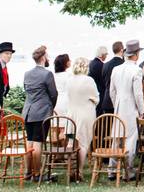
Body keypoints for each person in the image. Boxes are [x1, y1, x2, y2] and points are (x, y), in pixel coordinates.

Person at [110, 40, 144, 180]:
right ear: (136, 54)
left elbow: (112, 91)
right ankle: (128, 170)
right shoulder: (137, 70)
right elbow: (138, 93)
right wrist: (142, 110)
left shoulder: (116, 69)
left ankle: (112, 169)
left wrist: (116, 104)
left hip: (118, 107)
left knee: (117, 138)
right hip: (131, 108)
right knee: (130, 140)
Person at [23, 45, 58, 182]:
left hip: (28, 111)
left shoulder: (27, 74)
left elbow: (26, 90)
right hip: (41, 112)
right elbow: (54, 94)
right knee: (38, 142)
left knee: (29, 141)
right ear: (43, 58)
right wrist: (50, 107)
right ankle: (37, 174)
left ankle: (27, 172)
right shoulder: (47, 74)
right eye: (47, 56)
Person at [66, 56, 99, 174]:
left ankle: (70, 168)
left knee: (71, 141)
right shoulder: (89, 80)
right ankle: (79, 171)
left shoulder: (69, 80)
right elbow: (96, 98)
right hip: (85, 114)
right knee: (83, 142)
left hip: (71, 113)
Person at [100, 41, 125, 114]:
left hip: (107, 100)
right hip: (120, 101)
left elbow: (104, 81)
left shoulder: (105, 65)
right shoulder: (124, 64)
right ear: (121, 50)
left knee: (108, 125)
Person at [88, 46, 108, 116]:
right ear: (102, 55)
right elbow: (103, 81)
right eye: (106, 54)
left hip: (91, 92)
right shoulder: (102, 65)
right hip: (100, 93)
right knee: (99, 114)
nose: (106, 56)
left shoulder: (90, 63)